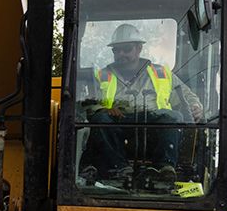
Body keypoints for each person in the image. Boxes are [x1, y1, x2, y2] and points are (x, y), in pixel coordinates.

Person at [80, 24, 203, 184]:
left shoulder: (162, 74)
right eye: (116, 50)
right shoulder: (102, 75)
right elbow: (87, 102)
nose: (121, 54)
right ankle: (120, 169)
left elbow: (186, 95)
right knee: (101, 119)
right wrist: (105, 109)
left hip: (153, 127)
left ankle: (164, 168)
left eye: (126, 49)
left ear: (139, 48)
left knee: (174, 116)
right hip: (118, 128)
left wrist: (195, 107)